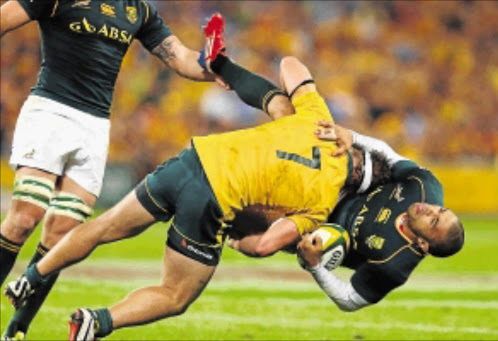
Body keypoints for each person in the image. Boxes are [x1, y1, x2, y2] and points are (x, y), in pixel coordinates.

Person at [4, 45, 394, 339]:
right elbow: (264, 246)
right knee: (176, 295)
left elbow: (291, 64)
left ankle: (31, 277)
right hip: (215, 200)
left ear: (355, 150)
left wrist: (294, 94)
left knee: (105, 225)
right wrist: (240, 242)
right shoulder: (324, 204)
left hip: (193, 158)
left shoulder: (317, 119)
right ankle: (97, 322)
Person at [0, 1, 228, 339]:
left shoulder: (139, 10)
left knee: (62, 232)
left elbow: (179, 58)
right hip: (50, 111)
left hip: (94, 126)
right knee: (24, 217)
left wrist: (215, 64)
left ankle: (16, 330)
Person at [295, 121, 465, 311]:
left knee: (259, 246)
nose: (431, 209)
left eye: (433, 221)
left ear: (423, 244)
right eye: (441, 210)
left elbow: (349, 300)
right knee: (357, 157)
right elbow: (388, 155)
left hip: (316, 228)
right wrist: (352, 137)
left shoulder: (394, 266)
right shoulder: (425, 185)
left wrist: (315, 266)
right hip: (340, 186)